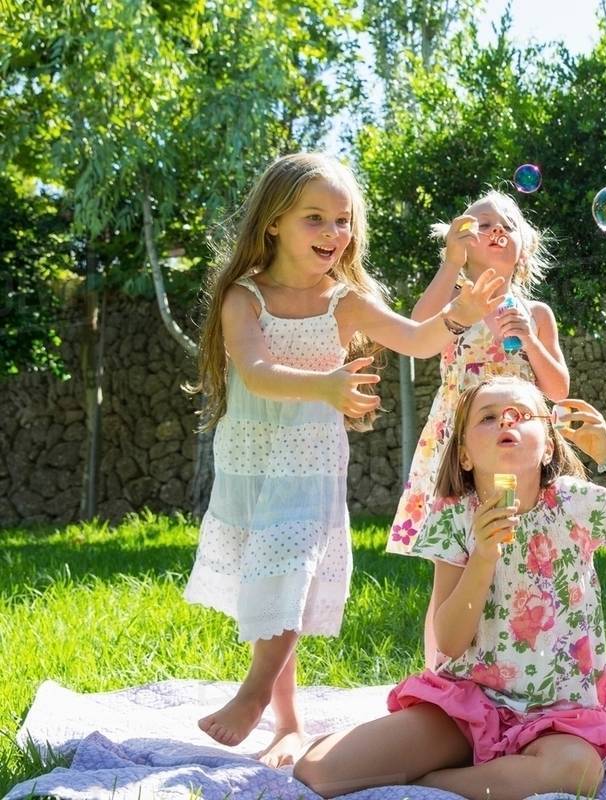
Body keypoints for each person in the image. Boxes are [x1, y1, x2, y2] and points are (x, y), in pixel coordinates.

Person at [183, 152, 504, 765]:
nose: (335, 234)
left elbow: (415, 339)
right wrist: (326, 385)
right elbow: (254, 371)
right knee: (271, 582)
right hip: (253, 454)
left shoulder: (343, 300)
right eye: (316, 219)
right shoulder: (243, 297)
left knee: (293, 568)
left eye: (343, 220)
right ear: (273, 221)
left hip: (310, 458)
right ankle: (288, 721)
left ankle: (253, 695)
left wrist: (459, 314)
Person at [293, 376, 606, 798]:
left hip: (557, 715)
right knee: (319, 771)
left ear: (547, 445)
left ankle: (434, 781)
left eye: (521, 414)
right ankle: (483, 767)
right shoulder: (455, 517)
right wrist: (483, 556)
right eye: (488, 417)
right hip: (469, 705)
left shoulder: (574, 503)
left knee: (578, 772)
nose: (506, 420)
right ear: (465, 455)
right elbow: (449, 641)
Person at [389, 190, 569, 671]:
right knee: (453, 560)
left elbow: (557, 387)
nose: (496, 231)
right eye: (480, 224)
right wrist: (449, 265)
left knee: (518, 555)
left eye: (507, 225)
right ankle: (437, 675)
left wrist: (529, 338)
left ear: (523, 247)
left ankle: (515, 666)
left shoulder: (537, 314)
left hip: (515, 446)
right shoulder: (454, 305)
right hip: (459, 445)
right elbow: (415, 336)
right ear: (462, 241)